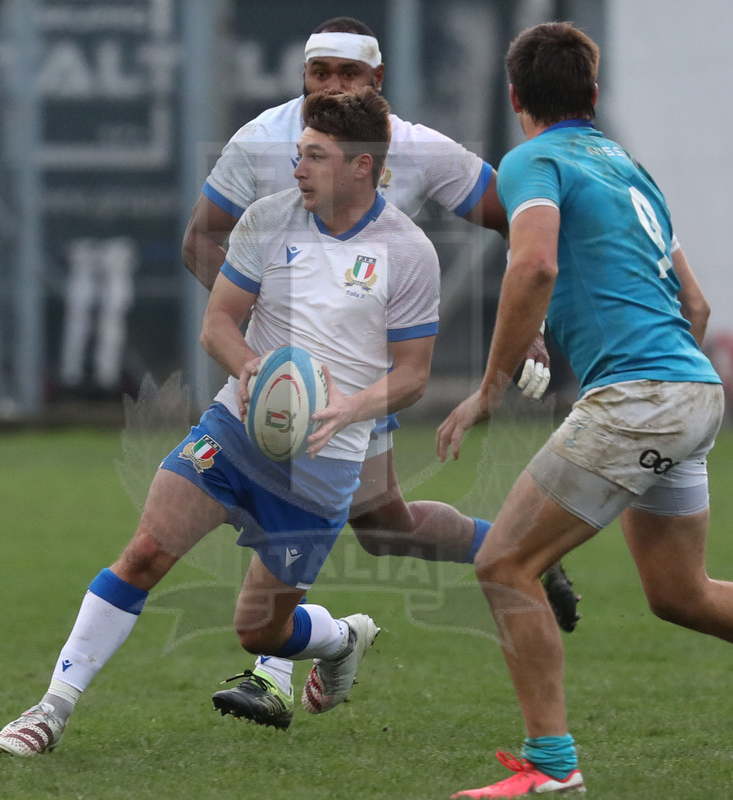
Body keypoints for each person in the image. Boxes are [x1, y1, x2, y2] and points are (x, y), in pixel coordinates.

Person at [0, 88, 439, 756]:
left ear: (360, 166)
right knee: (145, 552)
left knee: (259, 633)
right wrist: (251, 366)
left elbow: (412, 373)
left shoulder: (407, 252)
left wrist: (349, 407)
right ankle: (50, 710)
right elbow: (218, 323)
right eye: (298, 154)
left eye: (314, 157)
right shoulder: (269, 219)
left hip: (323, 461)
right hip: (234, 431)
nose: (297, 169)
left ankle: (342, 638)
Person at [183, 16, 579, 730]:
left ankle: (272, 676)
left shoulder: (419, 149)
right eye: (319, 72)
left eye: (348, 74)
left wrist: (535, 327)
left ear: (379, 82)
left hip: (369, 377)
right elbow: (200, 238)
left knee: (308, 503)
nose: (331, 85)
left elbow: (519, 222)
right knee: (384, 526)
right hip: (291, 373)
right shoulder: (264, 142)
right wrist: (266, 326)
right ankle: (517, 550)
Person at [436, 21, 726, 798]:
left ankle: (551, 767)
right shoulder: (630, 167)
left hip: (642, 397)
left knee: (504, 562)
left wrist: (491, 384)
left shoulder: (533, 158)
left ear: (514, 98)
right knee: (681, 595)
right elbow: (692, 304)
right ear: (593, 97)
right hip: (693, 388)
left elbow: (534, 261)